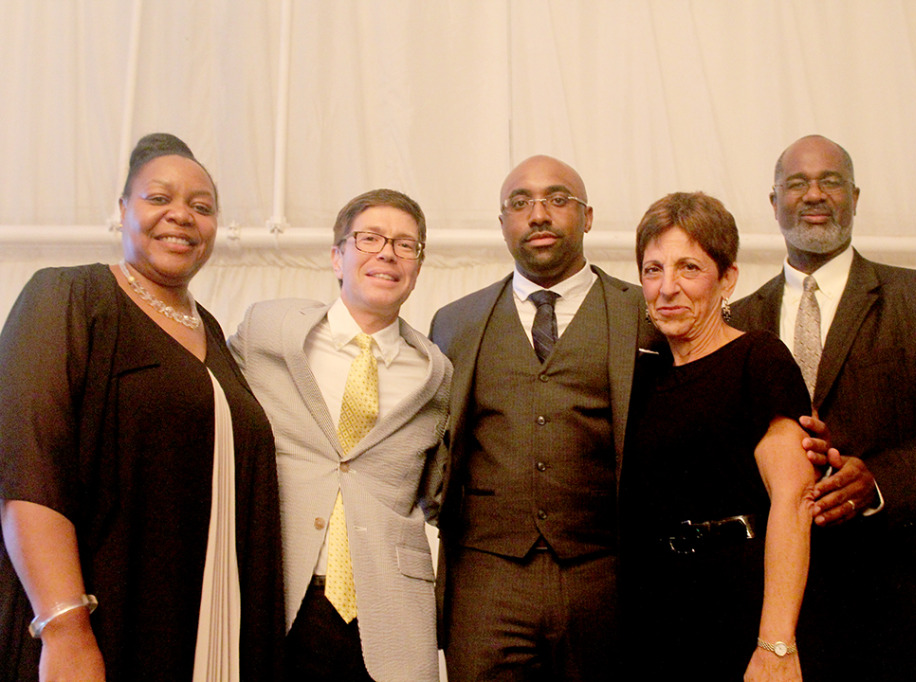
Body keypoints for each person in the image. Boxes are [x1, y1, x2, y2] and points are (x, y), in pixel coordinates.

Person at [0, 133, 284, 681]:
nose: (181, 215)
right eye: (159, 199)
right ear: (123, 210)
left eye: (201, 207)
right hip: (97, 625)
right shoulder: (69, 296)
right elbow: (27, 465)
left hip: (197, 627)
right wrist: (64, 629)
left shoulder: (218, 338)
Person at [731, 134, 916, 681]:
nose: (813, 195)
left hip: (913, 619)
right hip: (789, 628)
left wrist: (878, 483)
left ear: (855, 196)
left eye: (830, 181)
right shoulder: (737, 322)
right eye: (796, 183)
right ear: (773, 202)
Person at [429, 155, 659, 680]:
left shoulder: (641, 313)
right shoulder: (456, 322)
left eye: (557, 200)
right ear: (503, 221)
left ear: (588, 216)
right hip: (486, 582)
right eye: (520, 203)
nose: (538, 215)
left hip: (604, 576)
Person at [228, 189, 452, 681]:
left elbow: (437, 490)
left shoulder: (437, 375)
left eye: (405, 244)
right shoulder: (266, 332)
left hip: (390, 609)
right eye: (369, 238)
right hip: (278, 597)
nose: (387, 253)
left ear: (416, 268)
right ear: (337, 256)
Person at [619, 191, 816, 680]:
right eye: (652, 269)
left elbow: (794, 499)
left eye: (689, 268)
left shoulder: (759, 359)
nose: (667, 288)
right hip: (650, 613)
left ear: (727, 278)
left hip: (737, 607)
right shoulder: (636, 376)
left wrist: (776, 644)